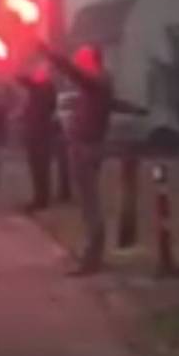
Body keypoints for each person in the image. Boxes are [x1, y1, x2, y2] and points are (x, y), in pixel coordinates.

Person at [38, 41, 145, 275]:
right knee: (89, 202)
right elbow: (112, 103)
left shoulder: (96, 81)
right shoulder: (101, 83)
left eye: (83, 56)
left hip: (85, 148)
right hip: (88, 147)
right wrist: (135, 109)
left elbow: (74, 73)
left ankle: (92, 260)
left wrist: (50, 53)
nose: (79, 59)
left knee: (90, 205)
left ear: (92, 59)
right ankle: (93, 255)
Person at [16, 63, 57, 211]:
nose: (36, 74)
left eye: (39, 72)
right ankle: (39, 198)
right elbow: (23, 80)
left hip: (41, 135)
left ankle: (42, 199)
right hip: (35, 134)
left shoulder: (45, 88)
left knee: (41, 169)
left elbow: (26, 81)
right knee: (36, 168)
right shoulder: (39, 88)